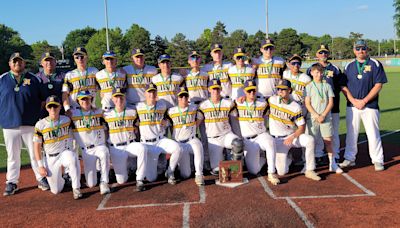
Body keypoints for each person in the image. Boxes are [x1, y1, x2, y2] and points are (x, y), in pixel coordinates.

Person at [1, 52, 49, 196]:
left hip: (30, 123)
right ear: (10, 64)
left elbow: (43, 101)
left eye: (20, 61)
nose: (17, 64)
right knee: (13, 155)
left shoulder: (33, 79)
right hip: (10, 124)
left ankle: (41, 178)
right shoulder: (2, 79)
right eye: (14, 61)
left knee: (35, 154)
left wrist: (37, 117)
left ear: (24, 63)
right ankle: (12, 182)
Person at [339, 40, 388, 171]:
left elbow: (378, 85)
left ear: (367, 49)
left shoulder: (375, 64)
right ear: (354, 50)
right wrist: (354, 101)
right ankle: (350, 158)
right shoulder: (348, 65)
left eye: (363, 48)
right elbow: (343, 86)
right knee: (352, 133)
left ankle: (378, 160)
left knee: (373, 133)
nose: (361, 51)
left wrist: (364, 101)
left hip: (370, 106)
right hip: (352, 106)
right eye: (358, 48)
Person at [268, 79, 321, 181]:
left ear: (290, 90)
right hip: (278, 140)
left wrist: (292, 137)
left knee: (310, 140)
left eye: (283, 89)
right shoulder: (272, 100)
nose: (280, 91)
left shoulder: (295, 107)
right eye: (279, 89)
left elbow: (301, 127)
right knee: (282, 172)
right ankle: (289, 158)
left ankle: (309, 170)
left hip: (291, 136)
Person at [33, 95, 82, 199]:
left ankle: (76, 188)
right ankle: (62, 179)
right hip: (51, 157)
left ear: (60, 107)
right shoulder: (40, 125)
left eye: (55, 106)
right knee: (56, 190)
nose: (52, 109)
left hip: (65, 153)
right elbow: (36, 146)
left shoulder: (67, 120)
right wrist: (40, 166)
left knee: (73, 159)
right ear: (46, 108)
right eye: (50, 107)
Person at [235, 80, 280, 185]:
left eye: (253, 91)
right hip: (248, 140)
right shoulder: (237, 103)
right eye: (249, 91)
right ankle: (263, 159)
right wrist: (238, 99)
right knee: (254, 171)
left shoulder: (263, 103)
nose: (251, 93)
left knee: (270, 142)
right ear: (244, 91)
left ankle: (271, 173)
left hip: (261, 135)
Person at [136, 83, 182, 184]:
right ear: (145, 93)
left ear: (156, 93)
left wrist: (167, 122)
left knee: (177, 148)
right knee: (151, 178)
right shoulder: (138, 107)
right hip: (147, 144)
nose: (151, 94)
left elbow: (170, 119)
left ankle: (170, 172)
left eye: (153, 92)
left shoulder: (162, 105)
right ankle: (155, 169)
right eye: (149, 92)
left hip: (161, 140)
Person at [103, 88, 148, 191]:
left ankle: (140, 179)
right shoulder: (106, 115)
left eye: (121, 97)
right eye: (116, 97)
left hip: (130, 145)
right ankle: (127, 168)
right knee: (121, 180)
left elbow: (137, 127)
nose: (119, 100)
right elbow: (105, 132)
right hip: (116, 148)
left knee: (142, 148)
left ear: (125, 98)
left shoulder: (132, 112)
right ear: (113, 99)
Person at [307, 45, 344, 165]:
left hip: (332, 106)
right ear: (317, 55)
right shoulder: (310, 69)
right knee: (316, 133)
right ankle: (318, 154)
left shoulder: (335, 68)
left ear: (328, 54)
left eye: (325, 52)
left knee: (333, 132)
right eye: (321, 52)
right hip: (316, 108)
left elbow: (340, 86)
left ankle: (336, 154)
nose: (323, 55)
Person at [198, 79, 243, 175]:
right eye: (213, 89)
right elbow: (197, 123)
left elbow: (236, 117)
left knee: (237, 143)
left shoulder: (228, 103)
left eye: (218, 89)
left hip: (226, 135)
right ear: (209, 89)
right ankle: (225, 161)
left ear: (221, 89)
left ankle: (235, 169)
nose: (215, 91)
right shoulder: (203, 106)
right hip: (213, 140)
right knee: (216, 170)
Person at [71, 91, 111, 194]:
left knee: (104, 152)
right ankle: (97, 175)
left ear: (91, 99)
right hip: (86, 150)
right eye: (82, 99)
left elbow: (109, 124)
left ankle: (104, 182)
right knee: (91, 184)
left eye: (87, 99)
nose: (85, 101)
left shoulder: (99, 112)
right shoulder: (72, 114)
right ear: (78, 101)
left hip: (99, 146)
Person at [166, 87, 205, 186]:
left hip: (191, 140)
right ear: (177, 98)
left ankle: (199, 174)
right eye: (181, 96)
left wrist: (196, 124)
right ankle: (172, 169)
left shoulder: (194, 108)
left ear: (188, 97)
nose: (183, 98)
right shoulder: (171, 111)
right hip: (179, 143)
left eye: (185, 96)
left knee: (198, 146)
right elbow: (165, 122)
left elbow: (202, 112)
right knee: (186, 174)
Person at [62, 47, 99, 115]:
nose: (80, 59)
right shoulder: (69, 75)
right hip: (75, 110)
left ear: (86, 57)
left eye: (82, 56)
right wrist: (67, 109)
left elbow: (101, 90)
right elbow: (65, 94)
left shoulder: (94, 71)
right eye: (77, 57)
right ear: (74, 59)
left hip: (92, 109)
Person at [36, 52, 66, 118]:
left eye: (51, 60)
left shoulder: (64, 76)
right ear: (41, 63)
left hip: (61, 113)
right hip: (43, 114)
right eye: (46, 60)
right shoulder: (36, 78)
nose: (49, 63)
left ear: (55, 62)